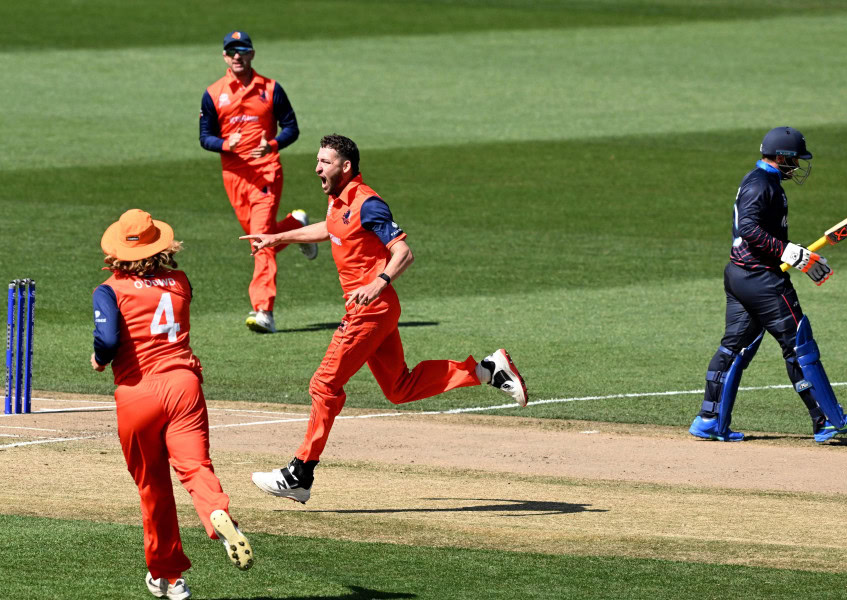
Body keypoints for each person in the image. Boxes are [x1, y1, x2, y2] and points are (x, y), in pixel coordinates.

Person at [242, 134, 528, 504]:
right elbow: (329, 230)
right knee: (399, 388)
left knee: (324, 385)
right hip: (375, 310)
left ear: (345, 167)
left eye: (324, 162)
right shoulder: (337, 200)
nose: (317, 167)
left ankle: (300, 473)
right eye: (317, 160)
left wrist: (379, 282)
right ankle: (487, 370)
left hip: (370, 309)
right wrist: (277, 237)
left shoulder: (368, 203)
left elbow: (403, 252)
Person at [91, 209, 253, 600]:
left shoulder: (109, 289)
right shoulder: (181, 281)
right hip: (184, 386)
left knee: (154, 486)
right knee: (196, 467)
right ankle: (217, 514)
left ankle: (169, 575)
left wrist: (99, 357)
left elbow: (109, 340)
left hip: (138, 392)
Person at [689, 127, 847, 444]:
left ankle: (710, 420)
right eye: (794, 160)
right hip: (764, 282)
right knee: (800, 346)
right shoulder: (762, 186)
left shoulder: (758, 181)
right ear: (781, 157)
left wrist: (798, 254)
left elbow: (755, 235)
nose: (796, 167)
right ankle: (828, 421)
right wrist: (789, 252)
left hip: (741, 276)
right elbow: (750, 229)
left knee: (735, 347)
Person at [199, 30, 317, 334]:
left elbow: (291, 128)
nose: (237, 56)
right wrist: (227, 144)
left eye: (243, 50)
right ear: (225, 56)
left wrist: (272, 145)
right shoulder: (213, 93)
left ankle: (264, 310)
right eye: (231, 51)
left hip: (266, 172)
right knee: (259, 241)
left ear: (252, 54)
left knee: (260, 242)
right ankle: (295, 227)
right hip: (234, 176)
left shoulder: (271, 89)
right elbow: (205, 137)